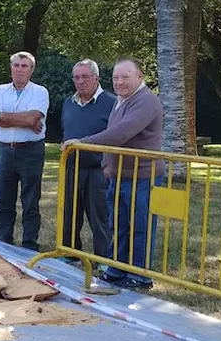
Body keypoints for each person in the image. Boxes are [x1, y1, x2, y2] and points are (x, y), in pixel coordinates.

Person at [62, 58, 165, 289]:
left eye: (125, 77)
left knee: (141, 226)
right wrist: (108, 165)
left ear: (140, 77)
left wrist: (83, 142)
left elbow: (121, 133)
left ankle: (140, 275)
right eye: (116, 77)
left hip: (143, 177)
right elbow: (113, 135)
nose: (119, 82)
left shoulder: (147, 101)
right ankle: (117, 269)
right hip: (120, 175)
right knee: (118, 225)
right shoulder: (121, 100)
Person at [0, 52, 49, 251]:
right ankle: (3, 244)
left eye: (24, 66)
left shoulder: (40, 92)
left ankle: (29, 246)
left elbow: (32, 119)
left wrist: (2, 116)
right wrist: (23, 120)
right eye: (16, 65)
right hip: (4, 152)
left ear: (31, 70)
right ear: (11, 68)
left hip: (31, 152)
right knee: (4, 201)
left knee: (30, 201)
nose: (19, 69)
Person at [59, 59, 115, 258]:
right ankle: (69, 254)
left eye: (85, 77)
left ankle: (105, 259)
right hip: (71, 168)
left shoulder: (111, 102)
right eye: (76, 77)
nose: (80, 81)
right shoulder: (68, 102)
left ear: (96, 78)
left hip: (98, 170)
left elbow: (117, 135)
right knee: (69, 215)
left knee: (100, 216)